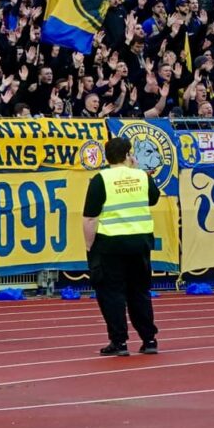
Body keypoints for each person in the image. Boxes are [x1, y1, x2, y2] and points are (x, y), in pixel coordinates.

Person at [83, 136, 161, 356]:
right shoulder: (142, 177)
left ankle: (119, 342)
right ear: (128, 155)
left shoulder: (101, 179)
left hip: (110, 245)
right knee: (140, 293)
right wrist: (136, 170)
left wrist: (90, 246)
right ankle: (149, 339)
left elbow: (90, 218)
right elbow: (153, 199)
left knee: (113, 294)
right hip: (140, 243)